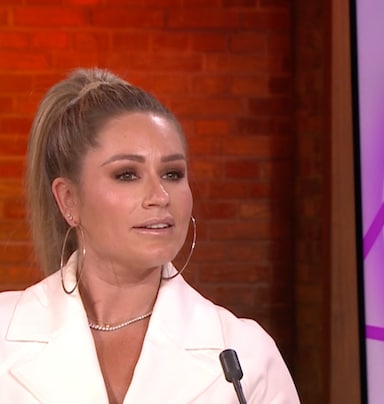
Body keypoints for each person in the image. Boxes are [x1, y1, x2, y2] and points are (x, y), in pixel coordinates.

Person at [0, 68, 300, 403]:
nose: (160, 196)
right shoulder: (4, 334)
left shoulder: (245, 354)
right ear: (69, 200)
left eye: (172, 173)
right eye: (127, 175)